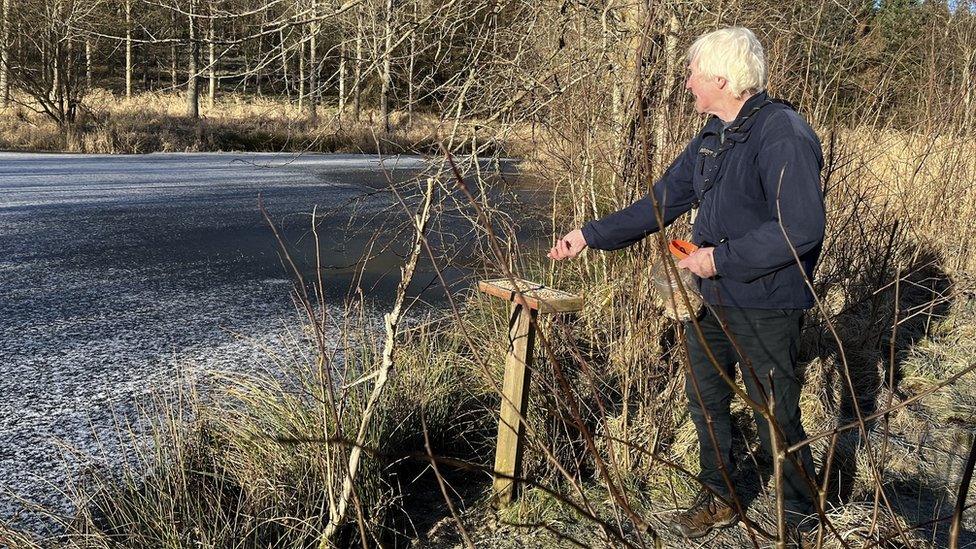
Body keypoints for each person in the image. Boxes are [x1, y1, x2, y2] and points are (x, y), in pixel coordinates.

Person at [549, 27, 825, 543]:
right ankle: (719, 497)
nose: (687, 81)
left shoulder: (783, 133)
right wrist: (588, 235)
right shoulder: (711, 138)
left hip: (766, 302)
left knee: (775, 409)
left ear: (722, 77)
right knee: (705, 400)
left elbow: (800, 229)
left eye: (693, 72)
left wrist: (718, 258)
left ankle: (800, 510)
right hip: (709, 300)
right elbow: (659, 204)